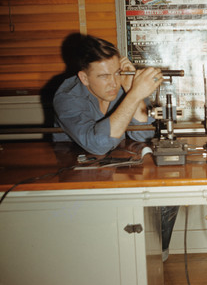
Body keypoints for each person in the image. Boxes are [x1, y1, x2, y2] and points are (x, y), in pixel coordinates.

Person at [52, 33, 178, 262]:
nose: (113, 82)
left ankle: (158, 258)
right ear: (84, 77)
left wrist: (132, 92)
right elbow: (97, 145)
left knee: (167, 192)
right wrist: (135, 94)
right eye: (103, 76)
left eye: (117, 72)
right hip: (77, 174)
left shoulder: (122, 84)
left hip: (120, 164)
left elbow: (141, 132)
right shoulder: (67, 97)